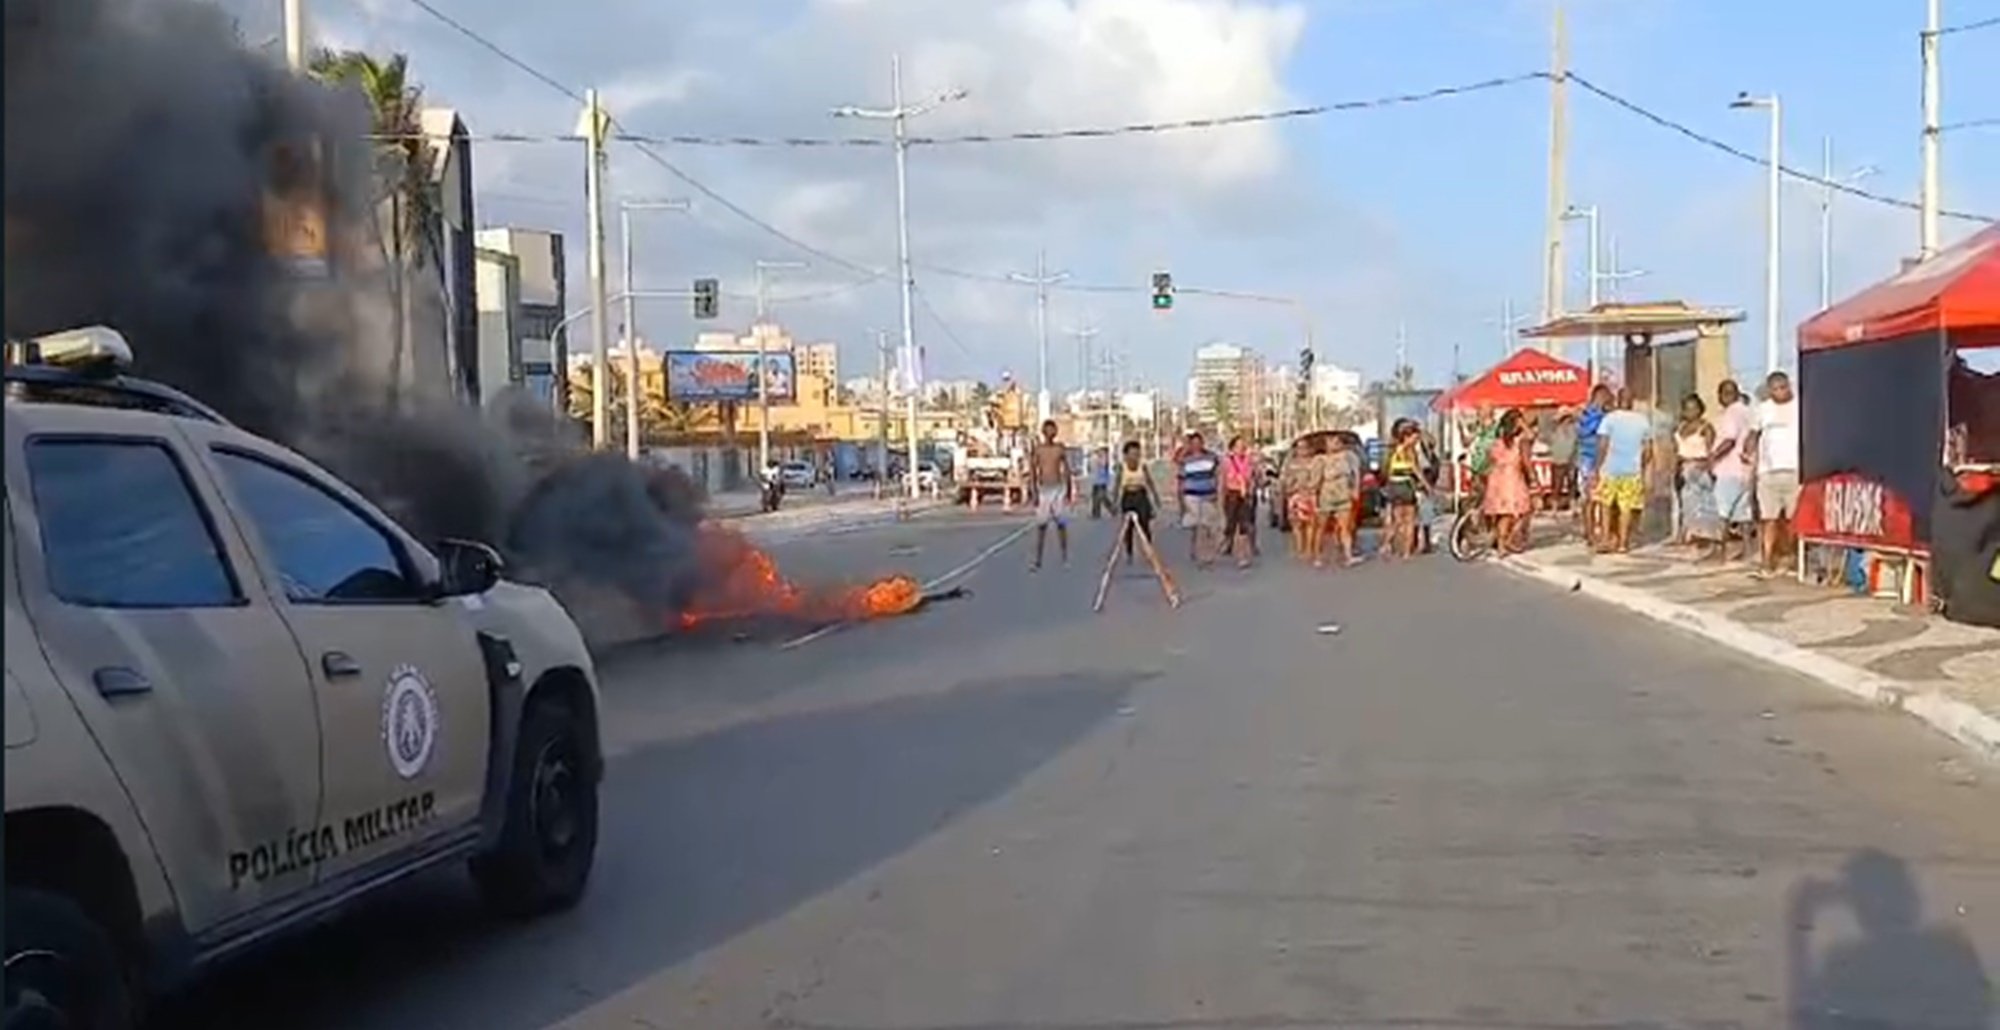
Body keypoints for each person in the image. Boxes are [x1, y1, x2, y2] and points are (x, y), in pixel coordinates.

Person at [1746, 370, 1801, 579]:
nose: (1780, 392)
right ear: (1770, 390)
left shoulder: (1800, 407)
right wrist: (1748, 451)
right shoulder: (1763, 410)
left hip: (1795, 469)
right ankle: (1767, 561)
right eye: (1776, 388)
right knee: (1768, 519)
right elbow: (1753, 434)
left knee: (1792, 519)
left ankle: (1792, 558)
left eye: (1783, 387)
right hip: (1768, 472)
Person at [1593, 387, 1652, 554]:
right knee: (1626, 508)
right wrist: (1641, 467)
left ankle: (1605, 539)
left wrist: (1597, 467)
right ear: (1632, 401)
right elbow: (1648, 450)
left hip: (1610, 469)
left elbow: (1603, 445)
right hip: (1631, 471)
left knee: (1606, 505)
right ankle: (1623, 543)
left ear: (1618, 400)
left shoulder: (1609, 419)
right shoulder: (1642, 421)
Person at [1708, 379, 1755, 562]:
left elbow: (1729, 440)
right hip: (1745, 470)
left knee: (1722, 512)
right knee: (1743, 513)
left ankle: (1720, 552)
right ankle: (1747, 551)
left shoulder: (1731, 413)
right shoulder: (1747, 412)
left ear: (1724, 395)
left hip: (1729, 468)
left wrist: (1712, 457)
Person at [1675, 393, 1722, 558]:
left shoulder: (1706, 427)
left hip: (1699, 468)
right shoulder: (1680, 427)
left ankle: (1708, 544)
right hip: (1683, 467)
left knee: (1703, 507)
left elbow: (1710, 452)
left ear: (1700, 409)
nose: (1690, 412)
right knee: (1687, 507)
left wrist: (1709, 468)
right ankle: (1692, 541)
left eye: (1694, 408)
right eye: (1687, 408)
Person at [1482, 409, 1535, 555]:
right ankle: (1508, 539)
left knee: (1503, 513)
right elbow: (1528, 451)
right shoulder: (1519, 442)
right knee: (1522, 510)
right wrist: (1533, 478)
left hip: (1497, 477)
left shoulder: (1496, 442)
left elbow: (1489, 461)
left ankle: (1501, 545)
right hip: (1512, 478)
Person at [1028, 420, 1073, 571]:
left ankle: (1065, 557)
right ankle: (1038, 560)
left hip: (1058, 489)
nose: (1050, 433)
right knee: (1042, 526)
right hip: (1043, 490)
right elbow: (1033, 471)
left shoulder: (1059, 449)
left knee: (1061, 525)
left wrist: (1069, 489)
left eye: (1053, 430)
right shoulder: (1038, 450)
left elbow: (1066, 469)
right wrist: (1033, 491)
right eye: (1048, 430)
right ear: (1043, 432)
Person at [1175, 431, 1224, 568]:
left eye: (1199, 443)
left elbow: (1217, 475)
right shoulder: (1185, 460)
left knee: (1209, 526)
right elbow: (1181, 480)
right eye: (1193, 443)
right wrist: (1181, 501)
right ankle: (1200, 555)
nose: (1196, 446)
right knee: (1199, 524)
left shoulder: (1211, 457)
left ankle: (1207, 552)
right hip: (1191, 495)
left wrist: (1218, 493)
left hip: (1208, 495)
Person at [1316, 433, 1363, 568]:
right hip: (1327, 493)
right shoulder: (1321, 460)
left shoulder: (1348, 457)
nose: (1334, 445)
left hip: (1343, 493)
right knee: (1322, 526)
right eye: (1330, 442)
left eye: (1337, 442)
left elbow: (1356, 473)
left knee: (1345, 527)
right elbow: (1317, 478)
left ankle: (1348, 556)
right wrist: (1314, 495)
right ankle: (1318, 555)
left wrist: (1355, 489)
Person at [1114, 440, 1162, 564]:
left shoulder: (1142, 466)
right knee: (1128, 526)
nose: (1135, 456)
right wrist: (1115, 501)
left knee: (1144, 524)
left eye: (1137, 454)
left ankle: (1148, 551)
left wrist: (1156, 497)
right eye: (1132, 454)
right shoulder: (1122, 467)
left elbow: (1150, 481)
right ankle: (1129, 552)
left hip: (1141, 495)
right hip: (1128, 496)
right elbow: (1117, 484)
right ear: (1126, 455)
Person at [1383, 421, 1425, 559]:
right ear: (1407, 437)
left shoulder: (1392, 451)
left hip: (1394, 486)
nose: (1416, 441)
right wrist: (1426, 485)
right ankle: (1406, 552)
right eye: (1415, 438)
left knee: (1397, 520)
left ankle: (1386, 544)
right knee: (1410, 520)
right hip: (1406, 486)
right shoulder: (1410, 451)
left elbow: (1387, 471)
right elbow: (1416, 470)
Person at [1576, 384, 1612, 545]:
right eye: (1606, 396)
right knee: (1589, 499)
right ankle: (1589, 532)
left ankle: (1593, 531)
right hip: (1588, 460)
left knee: (1597, 498)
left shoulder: (1602, 415)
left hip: (1601, 460)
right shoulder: (1589, 415)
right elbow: (1585, 432)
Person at [1220, 436, 1259, 568]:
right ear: (1232, 448)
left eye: (1243, 446)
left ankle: (1242, 555)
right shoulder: (1227, 461)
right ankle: (1228, 542)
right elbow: (1223, 480)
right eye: (1238, 446)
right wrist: (1221, 498)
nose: (1241, 449)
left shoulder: (1250, 461)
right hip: (1232, 494)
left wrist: (1251, 492)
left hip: (1245, 495)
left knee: (1244, 525)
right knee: (1231, 524)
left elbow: (1253, 478)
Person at [1281, 438, 1317, 560]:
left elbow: (1317, 478)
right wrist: (1291, 487)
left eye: (1305, 447)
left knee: (1310, 523)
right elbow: (1284, 479)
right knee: (1296, 524)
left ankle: (1309, 549)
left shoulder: (1314, 462)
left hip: (1309, 495)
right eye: (1299, 448)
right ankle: (1299, 548)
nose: (1302, 450)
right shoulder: (1290, 463)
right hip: (1294, 496)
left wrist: (1310, 488)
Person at [1544, 410, 1580, 512]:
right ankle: (1554, 507)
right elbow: (1546, 426)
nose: (1568, 422)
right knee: (1556, 485)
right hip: (1558, 461)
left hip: (1571, 461)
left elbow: (1576, 446)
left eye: (1569, 420)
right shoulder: (1555, 431)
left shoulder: (1575, 430)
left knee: (1572, 485)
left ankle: (1573, 507)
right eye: (1566, 420)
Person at [1088, 447, 1113, 519]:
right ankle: (1095, 512)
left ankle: (1112, 509)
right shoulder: (1095, 458)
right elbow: (1091, 468)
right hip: (1095, 480)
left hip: (1101, 481)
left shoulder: (1103, 458)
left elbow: (1103, 465)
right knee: (1095, 497)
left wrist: (1101, 458)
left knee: (1102, 497)